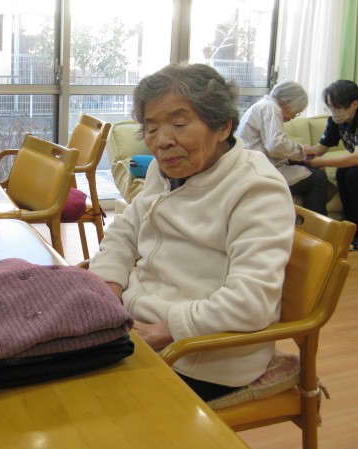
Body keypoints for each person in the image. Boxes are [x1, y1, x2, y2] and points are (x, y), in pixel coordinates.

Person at [88, 63, 295, 402]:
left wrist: (165, 330)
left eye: (180, 125)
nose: (162, 141)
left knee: (81, 403)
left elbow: (251, 302)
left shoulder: (256, 189)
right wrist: (108, 286)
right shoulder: (164, 171)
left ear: (223, 126)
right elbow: (125, 230)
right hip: (135, 323)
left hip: (201, 354)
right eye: (151, 128)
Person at [305, 80, 358, 250]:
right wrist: (300, 151)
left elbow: (357, 158)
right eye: (330, 107)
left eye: (337, 108)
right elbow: (320, 149)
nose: (333, 112)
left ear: (354, 104)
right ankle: (352, 226)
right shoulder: (336, 122)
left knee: (355, 174)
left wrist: (320, 162)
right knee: (343, 172)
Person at [236, 81, 330, 215]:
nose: (293, 117)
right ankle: (315, 225)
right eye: (296, 112)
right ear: (288, 103)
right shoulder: (271, 108)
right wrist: (302, 151)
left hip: (255, 166)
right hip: (260, 172)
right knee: (318, 178)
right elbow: (276, 146)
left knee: (312, 167)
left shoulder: (263, 105)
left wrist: (301, 154)